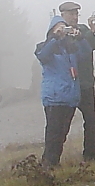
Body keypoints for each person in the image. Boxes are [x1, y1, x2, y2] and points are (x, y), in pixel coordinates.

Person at [36, 15, 92, 169]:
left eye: (63, 27)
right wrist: (55, 37)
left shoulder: (71, 48)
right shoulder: (44, 46)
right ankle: (48, 163)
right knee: (53, 133)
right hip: (54, 97)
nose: (62, 30)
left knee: (62, 134)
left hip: (70, 98)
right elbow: (43, 57)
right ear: (51, 30)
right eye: (58, 27)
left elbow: (86, 53)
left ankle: (54, 162)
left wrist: (80, 38)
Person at [58, 1, 95, 162]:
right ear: (63, 15)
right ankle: (54, 158)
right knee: (63, 123)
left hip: (86, 84)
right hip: (68, 86)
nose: (74, 17)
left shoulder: (83, 30)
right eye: (71, 14)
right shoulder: (58, 32)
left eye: (76, 14)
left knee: (91, 121)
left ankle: (90, 156)